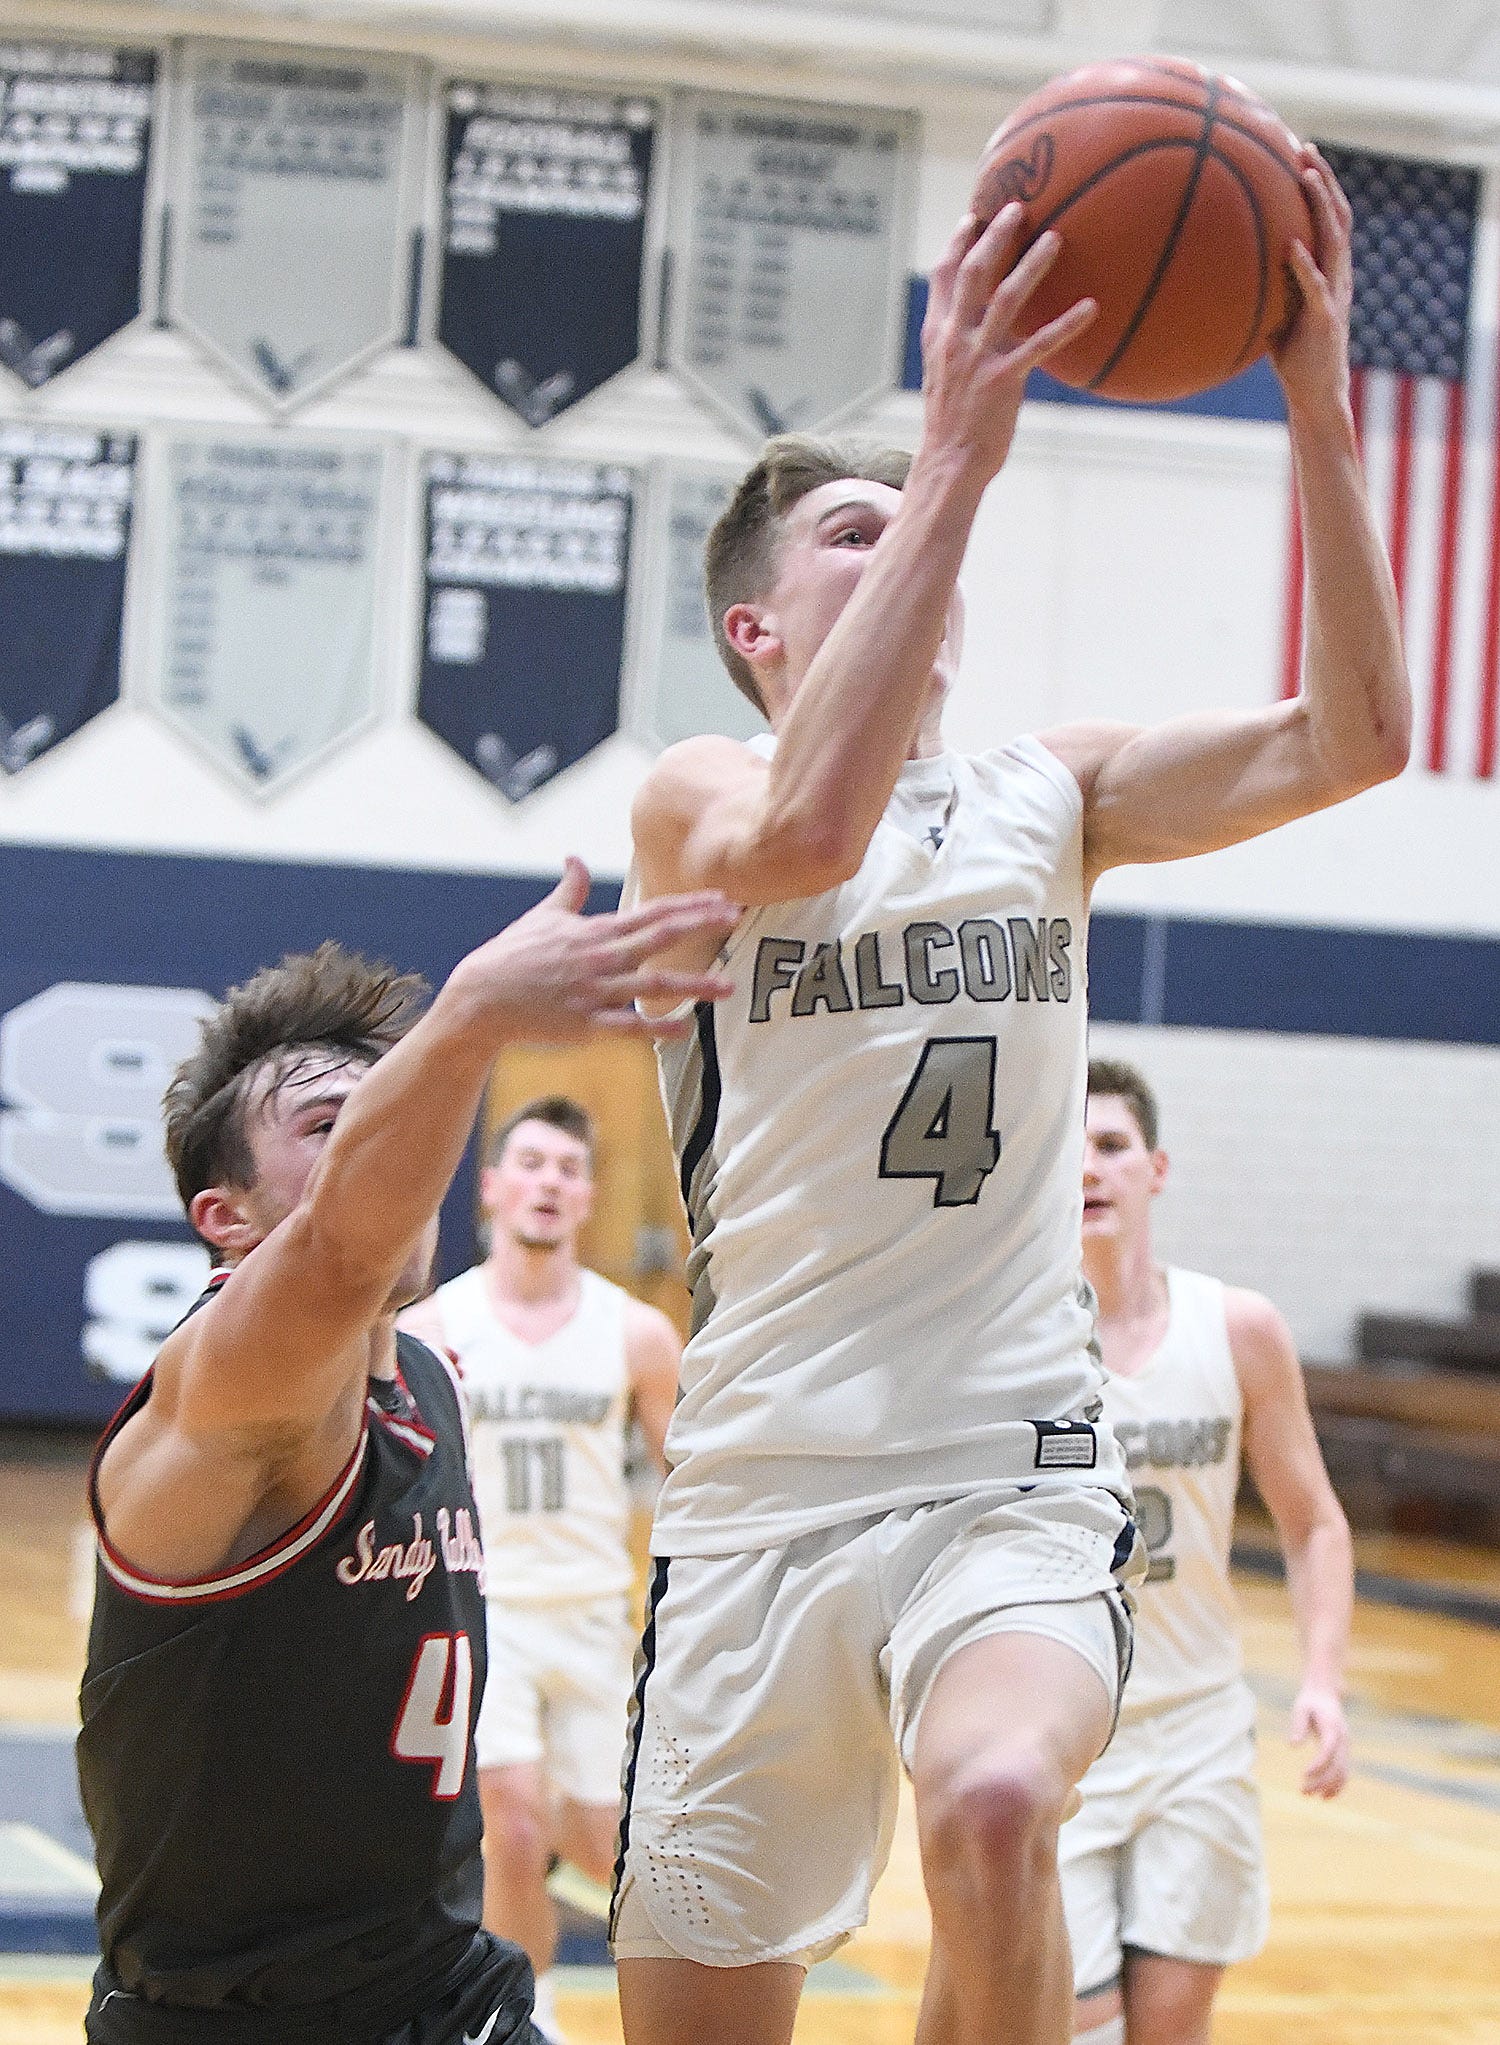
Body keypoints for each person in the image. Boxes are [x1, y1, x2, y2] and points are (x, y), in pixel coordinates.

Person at [614, 146, 1408, 2045]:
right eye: (855, 539)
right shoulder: (692, 801)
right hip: (755, 1491)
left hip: (1009, 1466)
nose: (914, 546)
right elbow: (808, 824)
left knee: (989, 1806)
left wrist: (1316, 404)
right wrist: (958, 450)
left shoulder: (1056, 797)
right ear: (759, 632)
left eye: (923, 529)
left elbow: (1358, 741)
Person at [75, 860, 736, 2045]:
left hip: (438, 1991)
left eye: (393, 1119)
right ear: (224, 1216)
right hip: (229, 2019)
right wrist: (472, 1009)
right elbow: (337, 1251)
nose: (395, 1152)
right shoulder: (224, 1384)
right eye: (332, 1126)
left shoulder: (430, 1373)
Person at [1062, 1059, 1352, 2045]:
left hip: (1196, 1735)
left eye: (1111, 1144)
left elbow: (1313, 1521)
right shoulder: (1019, 1339)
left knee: (1172, 2029)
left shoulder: (1237, 1327)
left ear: (1156, 1166)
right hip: (1066, 1738)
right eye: (1070, 1146)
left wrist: (1321, 1676)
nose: (1091, 1166)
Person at [401, 1095, 681, 2043]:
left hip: (598, 1617)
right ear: (491, 1186)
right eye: (531, 1162)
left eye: (568, 1167)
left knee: (607, 1846)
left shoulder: (637, 1332)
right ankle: (528, 2015)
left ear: (589, 1195)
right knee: (512, 1821)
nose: (549, 1182)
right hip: (488, 1613)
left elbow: (694, 1478)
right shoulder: (438, 1324)